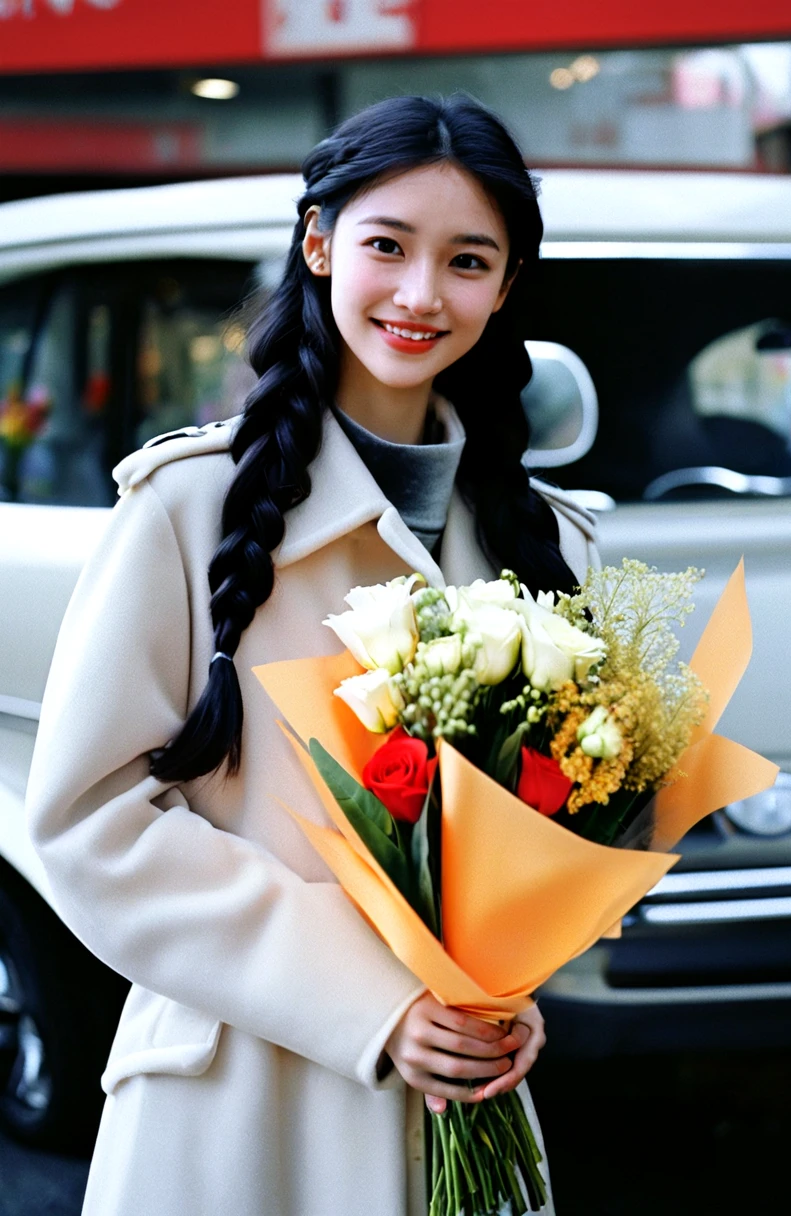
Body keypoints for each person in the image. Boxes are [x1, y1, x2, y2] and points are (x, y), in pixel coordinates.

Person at [25, 94, 599, 1216]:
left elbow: (559, 824)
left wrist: (511, 992)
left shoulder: (552, 542)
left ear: (506, 285)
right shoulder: (187, 507)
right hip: (234, 1104)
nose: (421, 294)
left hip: (463, 1098)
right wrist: (376, 998)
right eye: (387, 245)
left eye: (468, 260)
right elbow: (89, 820)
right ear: (320, 241)